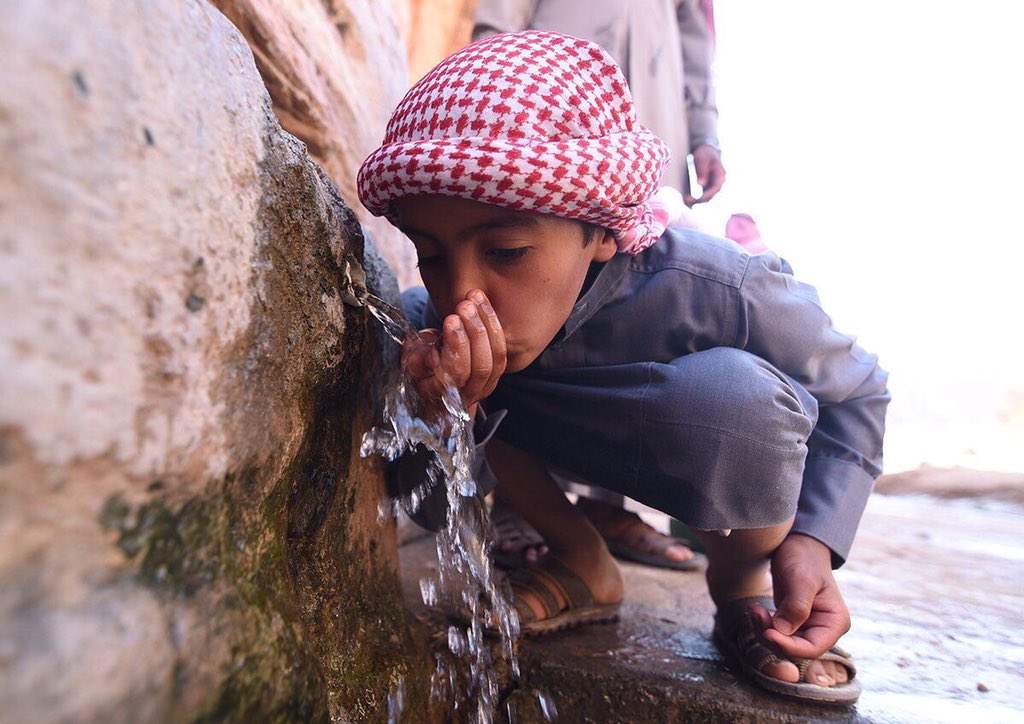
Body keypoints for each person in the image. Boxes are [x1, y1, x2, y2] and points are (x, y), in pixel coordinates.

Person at [358, 31, 888, 704]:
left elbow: (861, 390)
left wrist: (814, 540)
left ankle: (740, 585)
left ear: (604, 230)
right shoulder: (427, 330)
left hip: (703, 446)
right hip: (551, 445)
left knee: (742, 405)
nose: (464, 294)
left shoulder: (721, 288)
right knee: (438, 362)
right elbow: (423, 511)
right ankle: (581, 561)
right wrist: (442, 412)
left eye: (509, 250)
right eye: (433, 253)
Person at [472, 0, 727, 571]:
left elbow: (695, 25)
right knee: (528, 285)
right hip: (541, 94)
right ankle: (520, 501)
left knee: (629, 294)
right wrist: (488, 71)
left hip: (653, 108)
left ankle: (609, 510)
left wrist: (703, 129)